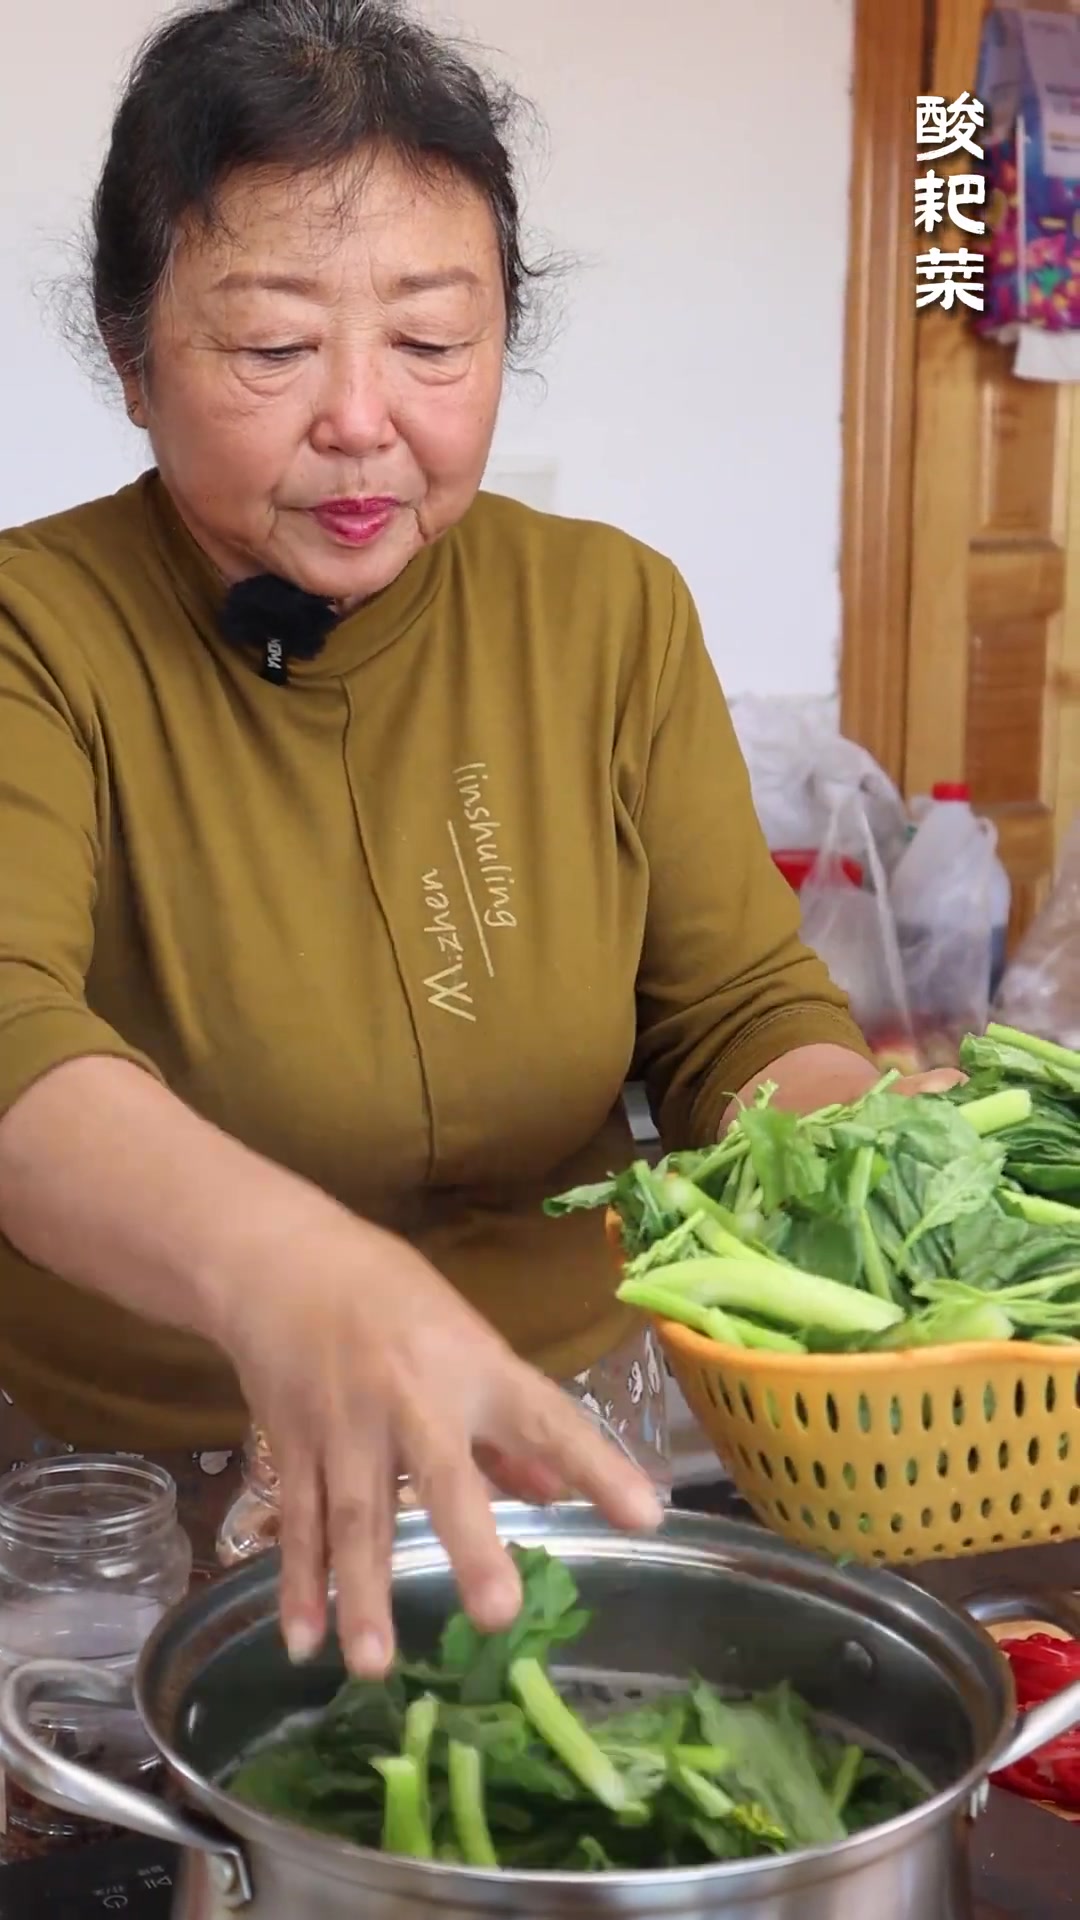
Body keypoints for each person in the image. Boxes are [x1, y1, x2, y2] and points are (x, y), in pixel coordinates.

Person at [0, 0, 954, 1680]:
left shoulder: (606, 612)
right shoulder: (36, 630)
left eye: (435, 346)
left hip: (565, 1459)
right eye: (275, 350)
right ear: (132, 352)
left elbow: (733, 1011)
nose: (365, 420)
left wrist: (876, 1163)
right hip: (134, 1496)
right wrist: (293, 1271)